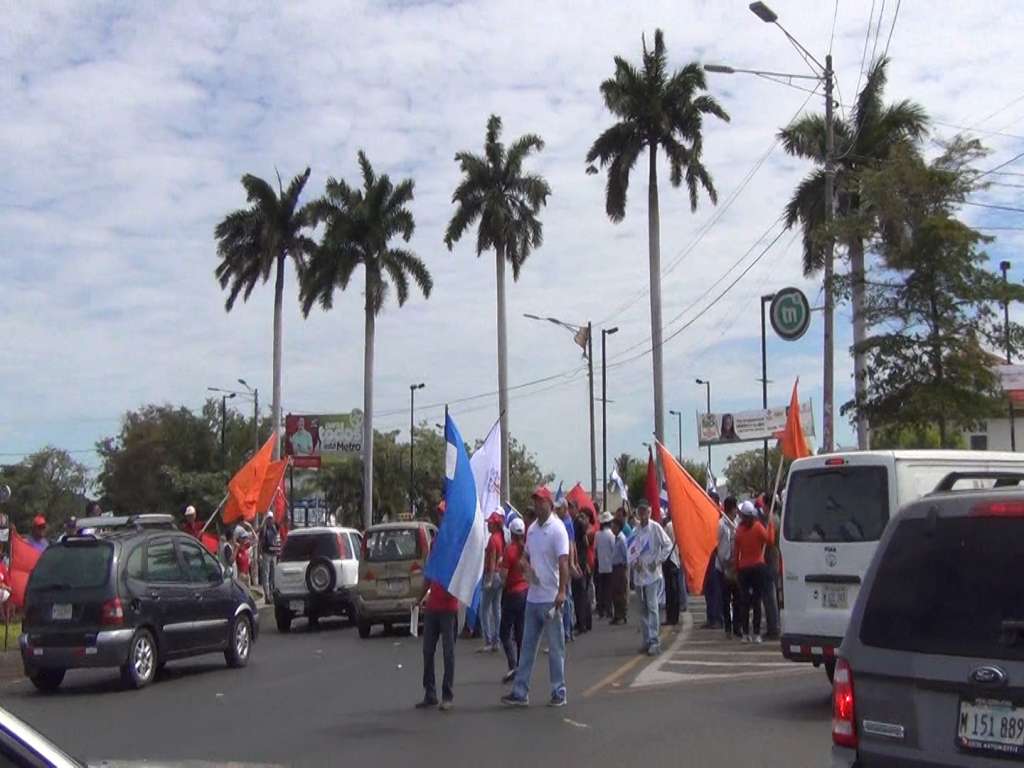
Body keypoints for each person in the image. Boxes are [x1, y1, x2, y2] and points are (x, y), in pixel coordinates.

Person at [501, 486, 570, 708]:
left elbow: (564, 562)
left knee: (555, 649)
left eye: (541, 501)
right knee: (528, 647)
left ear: (549, 504)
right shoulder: (531, 531)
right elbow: (527, 555)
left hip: (550, 598)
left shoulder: (558, 529)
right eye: (535, 501)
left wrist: (561, 591)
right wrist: (524, 565)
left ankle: (558, 691)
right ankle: (521, 692)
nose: (537, 505)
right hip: (533, 597)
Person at [632, 500, 673, 655]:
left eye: (645, 511)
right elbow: (632, 550)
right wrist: (634, 562)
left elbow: (668, 545)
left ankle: (655, 641)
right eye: (640, 511)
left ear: (649, 512)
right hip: (639, 575)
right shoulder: (635, 530)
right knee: (642, 610)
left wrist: (657, 561)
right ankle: (646, 640)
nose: (643, 514)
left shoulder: (655, 528)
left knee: (652, 607)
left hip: (652, 575)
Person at [734, 500, 774, 643]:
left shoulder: (739, 531)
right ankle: (756, 633)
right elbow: (770, 541)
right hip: (758, 566)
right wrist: (770, 526)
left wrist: (736, 569)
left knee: (745, 602)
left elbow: (736, 553)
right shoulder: (758, 528)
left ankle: (746, 633)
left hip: (744, 569)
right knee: (756, 601)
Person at [416, 577, 459, 711]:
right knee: (427, 651)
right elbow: (428, 579)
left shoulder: (454, 557)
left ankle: (447, 695)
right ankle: (430, 693)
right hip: (432, 608)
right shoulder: (433, 556)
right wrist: (418, 600)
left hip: (449, 609)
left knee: (448, 652)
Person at [498, 517, 528, 684]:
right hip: (525, 592)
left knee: (504, 632)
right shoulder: (526, 551)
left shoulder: (509, 551)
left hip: (512, 594)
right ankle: (522, 667)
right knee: (520, 633)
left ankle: (513, 665)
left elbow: (503, 577)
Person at [478, 511, 505, 653]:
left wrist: (488, 579)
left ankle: (489, 640)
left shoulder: (493, 540)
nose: (488, 525)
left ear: (494, 525)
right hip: (499, 576)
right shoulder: (500, 538)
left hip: (492, 575)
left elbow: (493, 560)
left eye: (490, 523)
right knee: (496, 609)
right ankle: (496, 640)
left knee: (485, 609)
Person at [553, 497, 578, 643]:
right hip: (566, 564)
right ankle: (568, 631)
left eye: (559, 509)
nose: (557, 511)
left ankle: (566, 632)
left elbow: (570, 545)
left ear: (565, 508)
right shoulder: (566, 522)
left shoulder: (566, 523)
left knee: (566, 598)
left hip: (565, 564)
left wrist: (571, 564)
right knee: (568, 598)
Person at [571, 508, 592, 634]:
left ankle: (582, 624)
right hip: (581, 562)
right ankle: (585, 622)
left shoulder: (577, 523)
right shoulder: (577, 523)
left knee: (580, 594)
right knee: (582, 594)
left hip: (580, 563)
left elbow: (585, 542)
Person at [661, 518, 684, 625]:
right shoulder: (681, 526)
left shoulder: (669, 526)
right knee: (675, 590)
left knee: (670, 591)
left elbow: (664, 543)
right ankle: (675, 617)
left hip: (669, 560)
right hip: (676, 560)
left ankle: (671, 617)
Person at [594, 511, 615, 618]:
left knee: (601, 589)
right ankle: (609, 610)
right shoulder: (611, 535)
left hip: (601, 565)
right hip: (610, 565)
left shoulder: (597, 535)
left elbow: (595, 549)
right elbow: (613, 549)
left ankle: (601, 610)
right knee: (609, 590)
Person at [610, 518, 629, 624]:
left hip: (620, 567)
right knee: (615, 592)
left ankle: (621, 615)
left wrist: (625, 568)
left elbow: (626, 554)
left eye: (613, 527)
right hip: (615, 567)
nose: (612, 529)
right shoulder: (616, 538)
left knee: (620, 592)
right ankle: (617, 615)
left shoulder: (621, 539)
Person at [260, 514, 282, 599]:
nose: (270, 520)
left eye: (271, 519)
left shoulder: (274, 528)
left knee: (273, 575)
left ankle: (272, 593)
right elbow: (261, 542)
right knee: (266, 574)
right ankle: (267, 594)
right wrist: (260, 554)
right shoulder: (264, 529)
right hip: (266, 554)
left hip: (274, 554)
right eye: (268, 519)